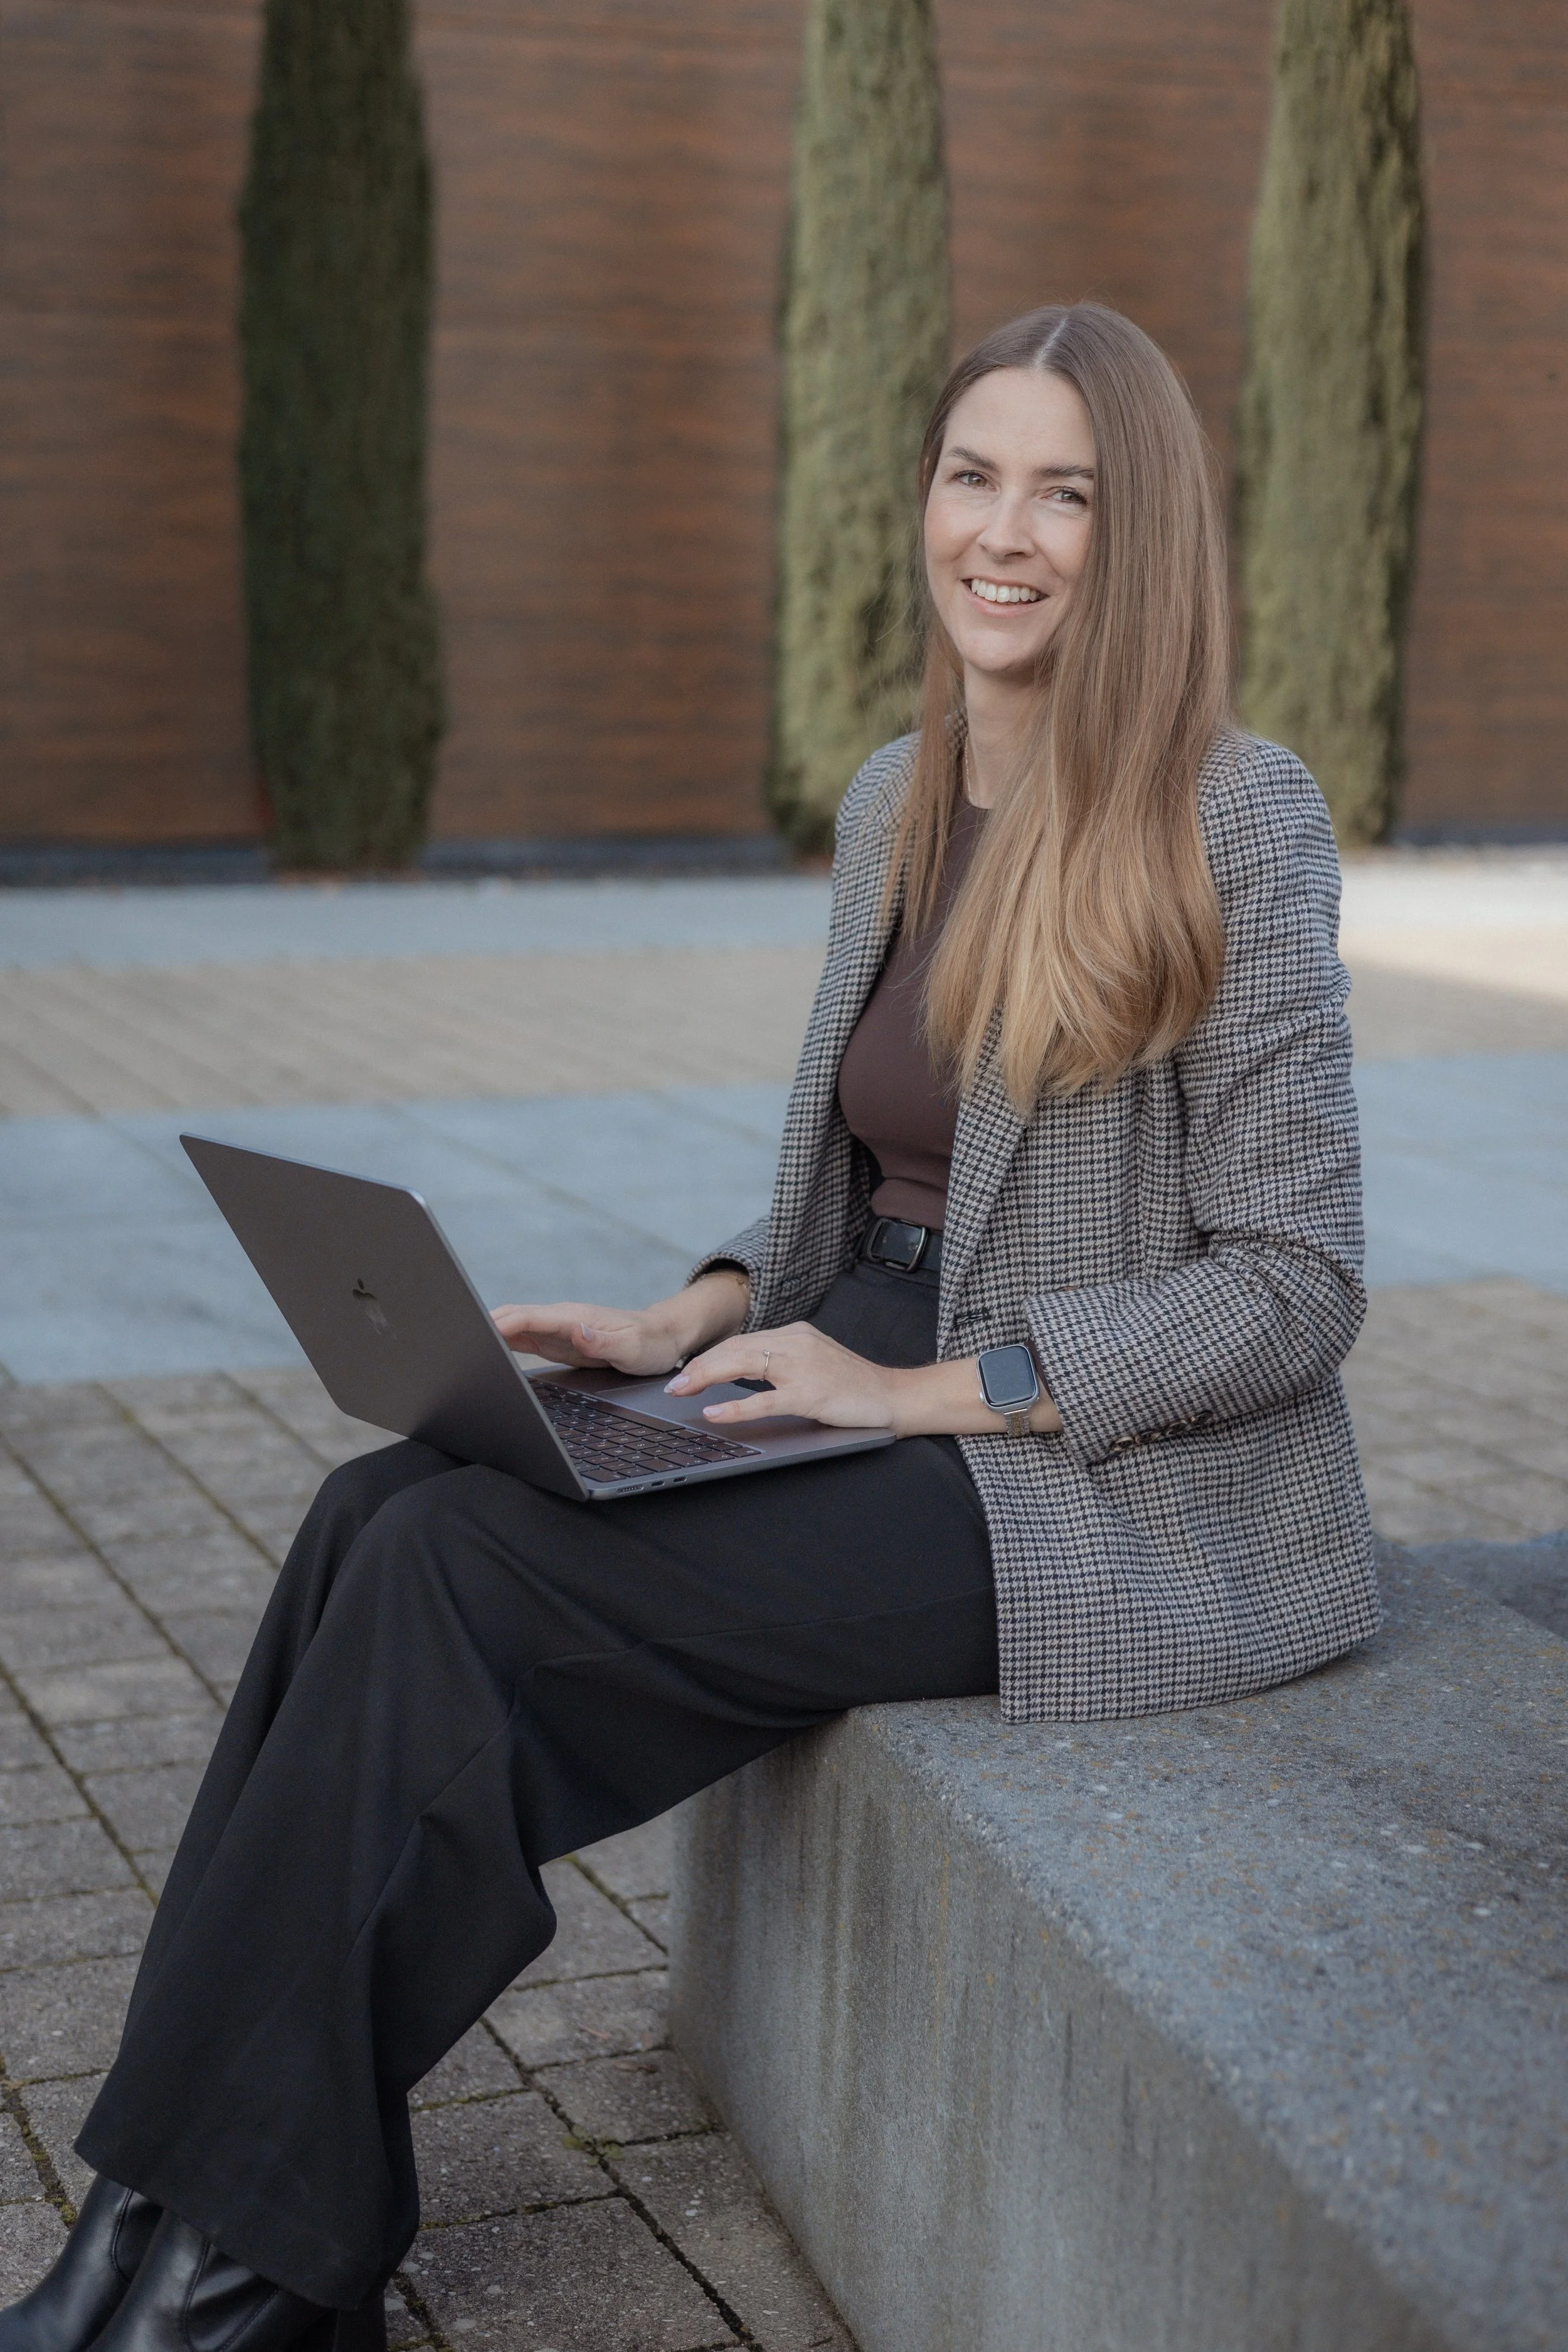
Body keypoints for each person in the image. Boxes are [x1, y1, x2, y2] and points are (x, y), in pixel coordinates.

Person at [1, 302, 1379, 2352]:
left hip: (1083, 1471)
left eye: (1064, 494)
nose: (1002, 532)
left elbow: (1294, 1281)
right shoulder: (900, 797)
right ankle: (155, 2217)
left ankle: (240, 2273)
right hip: (865, 1361)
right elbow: (857, 1187)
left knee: (462, 1581)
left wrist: (908, 1385)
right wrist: (699, 1309)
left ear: (1139, 533)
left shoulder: (1232, 814)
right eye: (971, 474)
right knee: (379, 1514)